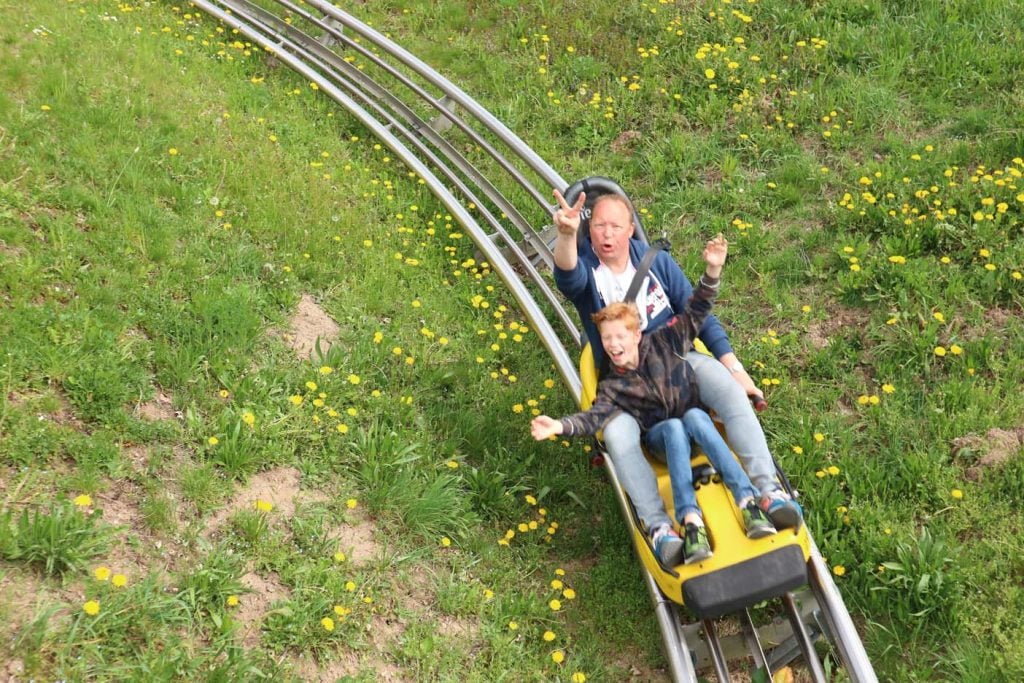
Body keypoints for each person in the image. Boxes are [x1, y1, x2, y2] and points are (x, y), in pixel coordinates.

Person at [549, 187, 802, 565]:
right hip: (627, 380)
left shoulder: (657, 263)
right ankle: (658, 526)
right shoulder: (589, 273)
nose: (606, 234)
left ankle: (768, 491)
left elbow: (698, 314)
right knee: (617, 434)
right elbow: (567, 277)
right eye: (598, 226)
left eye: (615, 226)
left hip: (675, 358)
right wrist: (568, 235)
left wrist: (735, 367)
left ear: (631, 229)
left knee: (728, 391)